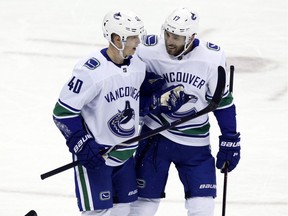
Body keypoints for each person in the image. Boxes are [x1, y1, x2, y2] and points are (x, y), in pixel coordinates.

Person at [52, 9, 187, 216]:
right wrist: (82, 144)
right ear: (117, 38)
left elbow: (132, 105)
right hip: (97, 157)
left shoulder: (137, 67)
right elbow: (62, 112)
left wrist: (158, 100)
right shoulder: (90, 71)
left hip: (125, 156)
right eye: (133, 37)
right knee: (99, 213)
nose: (138, 42)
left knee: (123, 212)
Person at [129, 7, 241, 216]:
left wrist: (230, 138)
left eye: (177, 37)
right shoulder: (147, 50)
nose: (170, 41)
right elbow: (128, 87)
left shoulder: (211, 58)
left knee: (203, 207)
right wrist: (150, 93)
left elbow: (223, 103)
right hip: (155, 137)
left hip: (195, 144)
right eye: (168, 34)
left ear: (191, 38)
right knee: (144, 205)